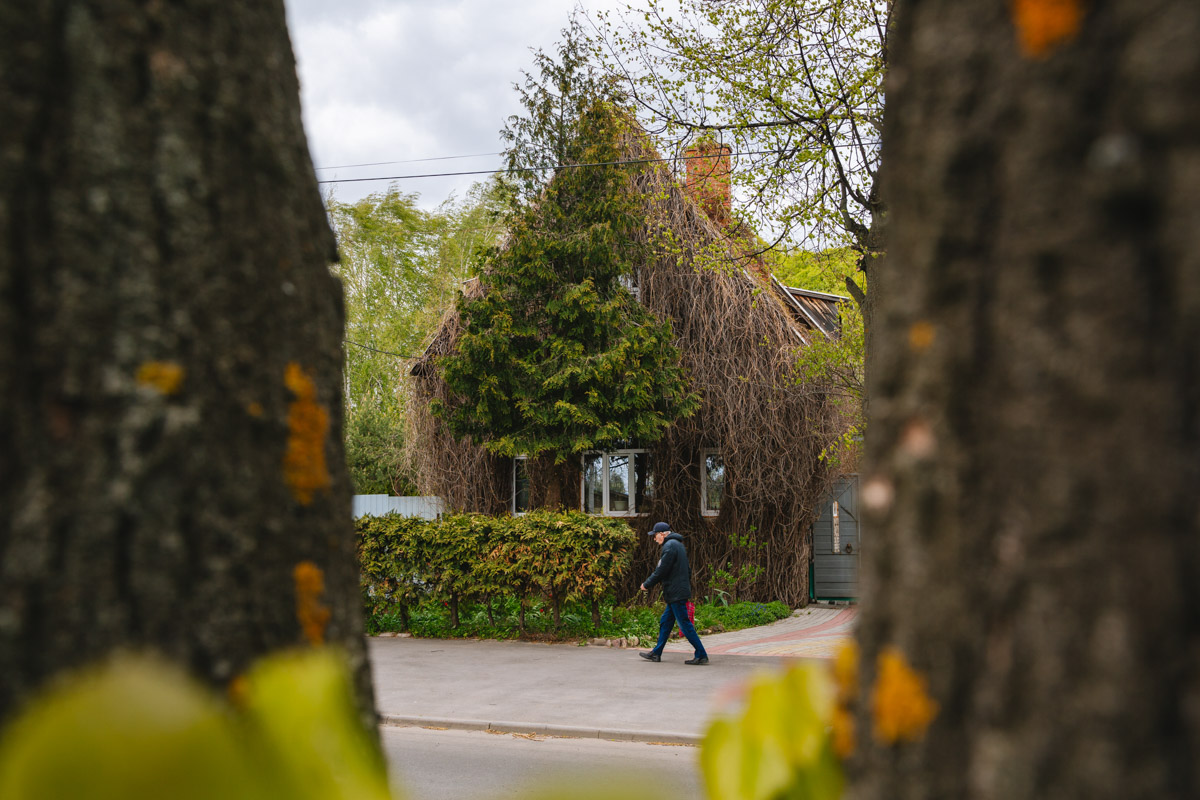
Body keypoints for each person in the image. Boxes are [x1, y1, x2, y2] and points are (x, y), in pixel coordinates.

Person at [639, 522, 709, 665]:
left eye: (655, 535)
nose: (654, 538)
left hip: (676, 593)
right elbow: (687, 570)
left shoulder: (670, 546)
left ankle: (701, 655)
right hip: (676, 592)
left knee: (685, 625)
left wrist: (647, 584)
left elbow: (662, 570)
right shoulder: (678, 545)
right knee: (665, 623)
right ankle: (656, 653)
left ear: (663, 534)